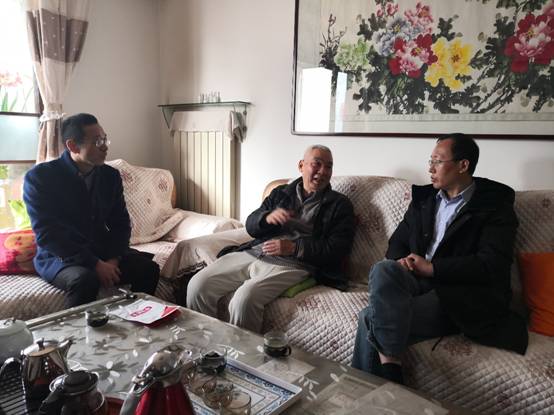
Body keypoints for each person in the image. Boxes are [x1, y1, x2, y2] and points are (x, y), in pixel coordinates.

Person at [352, 133, 528, 384]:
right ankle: (389, 381)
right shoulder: (424, 199)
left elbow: (491, 263)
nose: (430, 168)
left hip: (458, 293)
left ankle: (383, 380)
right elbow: (397, 243)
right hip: (416, 280)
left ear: (463, 165)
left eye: (437, 161)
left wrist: (433, 268)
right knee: (384, 269)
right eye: (430, 161)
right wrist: (403, 261)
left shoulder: (493, 205)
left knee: (369, 317)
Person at [187, 145, 356, 332]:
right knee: (197, 285)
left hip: (294, 263)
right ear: (301, 166)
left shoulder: (340, 205)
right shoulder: (281, 192)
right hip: (256, 252)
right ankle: (206, 345)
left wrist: (294, 247)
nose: (323, 171)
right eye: (317, 164)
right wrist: (266, 218)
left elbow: (337, 249)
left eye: (328, 166)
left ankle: (241, 351)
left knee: (244, 299)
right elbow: (251, 225)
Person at [23, 113, 159, 307]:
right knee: (85, 280)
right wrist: (94, 264)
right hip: (60, 255)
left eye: (105, 139)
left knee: (148, 269)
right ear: (72, 146)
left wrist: (113, 259)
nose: (105, 146)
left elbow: (120, 224)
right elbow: (48, 235)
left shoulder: (110, 176)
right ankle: (75, 328)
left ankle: (136, 319)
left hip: (102, 251)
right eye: (97, 142)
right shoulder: (41, 178)